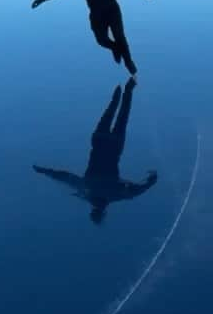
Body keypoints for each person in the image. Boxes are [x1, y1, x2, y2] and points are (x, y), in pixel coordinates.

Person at [33, 79, 158, 223]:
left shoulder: (103, 192)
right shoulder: (88, 189)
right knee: (113, 113)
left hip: (110, 144)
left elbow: (136, 191)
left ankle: (126, 90)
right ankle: (121, 93)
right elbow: (63, 176)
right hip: (101, 142)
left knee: (121, 116)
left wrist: (151, 180)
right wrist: (44, 171)